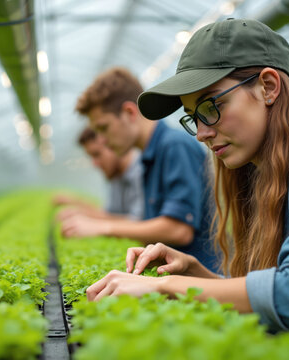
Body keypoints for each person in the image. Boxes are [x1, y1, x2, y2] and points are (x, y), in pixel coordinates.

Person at [85, 19, 289, 359]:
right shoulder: (263, 173)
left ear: (268, 87)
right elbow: (277, 309)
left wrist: (164, 286)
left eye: (211, 107)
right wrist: (199, 275)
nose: (201, 132)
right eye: (192, 116)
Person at [60, 67, 218, 271]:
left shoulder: (174, 146)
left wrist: (101, 227)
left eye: (104, 128)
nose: (102, 141)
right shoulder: (148, 156)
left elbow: (179, 229)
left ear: (129, 112)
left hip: (204, 285)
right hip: (177, 282)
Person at [54, 126, 144, 220]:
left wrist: (83, 213)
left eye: (97, 154)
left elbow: (138, 222)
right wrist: (75, 203)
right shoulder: (115, 176)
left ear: (112, 144)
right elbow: (109, 214)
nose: (94, 163)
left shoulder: (140, 170)